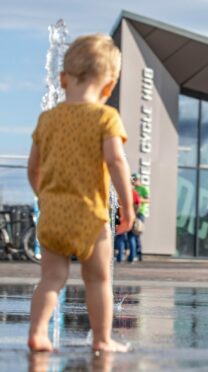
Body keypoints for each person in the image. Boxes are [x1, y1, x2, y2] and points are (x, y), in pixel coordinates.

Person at [26, 34, 133, 352]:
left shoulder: (47, 119)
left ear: (62, 79)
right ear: (109, 86)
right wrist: (127, 206)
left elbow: (33, 168)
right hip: (91, 215)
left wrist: (42, 196)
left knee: (51, 278)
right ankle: (101, 339)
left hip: (53, 214)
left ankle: (38, 333)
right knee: (98, 280)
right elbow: (116, 161)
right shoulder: (105, 117)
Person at [115, 185, 141, 263]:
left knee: (120, 238)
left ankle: (119, 257)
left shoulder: (119, 193)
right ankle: (132, 257)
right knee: (131, 237)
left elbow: (116, 205)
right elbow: (138, 204)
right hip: (131, 216)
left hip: (121, 217)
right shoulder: (134, 192)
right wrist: (135, 214)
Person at [131, 173, 149, 260]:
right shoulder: (133, 189)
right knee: (131, 234)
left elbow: (148, 200)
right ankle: (134, 253)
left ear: (138, 180)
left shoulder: (143, 188)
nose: (133, 182)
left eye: (134, 180)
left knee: (136, 232)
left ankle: (138, 253)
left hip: (140, 212)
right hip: (132, 212)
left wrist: (139, 200)